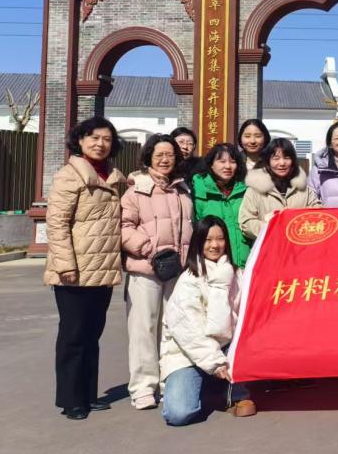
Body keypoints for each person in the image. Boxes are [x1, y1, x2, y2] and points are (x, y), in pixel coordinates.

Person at [44, 116, 127, 420]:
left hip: (102, 269)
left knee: (92, 334)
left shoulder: (113, 177)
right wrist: (66, 264)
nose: (100, 144)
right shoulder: (69, 175)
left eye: (106, 139)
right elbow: (57, 223)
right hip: (75, 270)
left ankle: (89, 395)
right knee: (73, 335)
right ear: (79, 141)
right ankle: (71, 400)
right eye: (93, 138)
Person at [160, 216, 256, 425]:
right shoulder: (188, 280)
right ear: (198, 242)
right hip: (189, 354)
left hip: (226, 350)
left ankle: (229, 391)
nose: (215, 245)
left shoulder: (236, 275)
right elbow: (189, 332)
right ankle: (209, 385)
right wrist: (214, 363)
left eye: (220, 239)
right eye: (208, 240)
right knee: (179, 414)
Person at [120, 133, 193, 410]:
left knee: (171, 327)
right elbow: (123, 227)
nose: (165, 160)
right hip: (146, 270)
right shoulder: (135, 190)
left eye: (170, 155)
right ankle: (142, 387)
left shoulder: (182, 190)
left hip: (177, 271)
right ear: (148, 157)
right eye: (159, 155)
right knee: (144, 327)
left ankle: (167, 381)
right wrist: (147, 248)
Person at [239, 137, 321, 242]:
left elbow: (318, 213)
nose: (282, 163)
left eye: (286, 157)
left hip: (299, 248)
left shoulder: (303, 189)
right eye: (276, 158)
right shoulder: (255, 189)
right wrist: (273, 228)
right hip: (269, 247)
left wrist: (296, 223)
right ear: (268, 161)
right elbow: (246, 223)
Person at [192, 143, 249, 267]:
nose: (228, 166)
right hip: (211, 263)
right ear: (211, 164)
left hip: (244, 261)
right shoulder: (197, 189)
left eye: (233, 162)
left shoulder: (246, 189)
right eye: (222, 161)